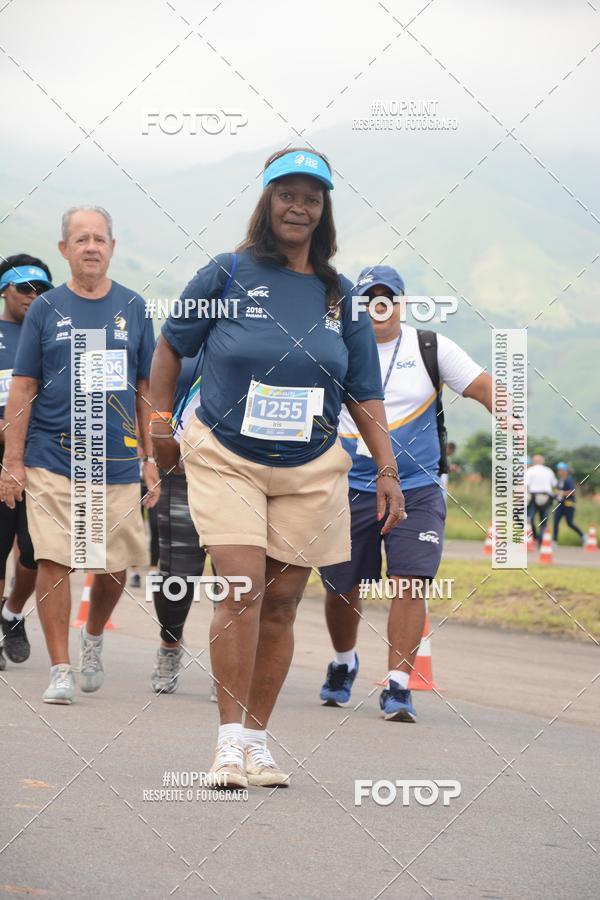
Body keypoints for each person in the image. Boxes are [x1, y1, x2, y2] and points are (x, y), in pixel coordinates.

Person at [150, 148, 404, 788]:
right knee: (240, 587)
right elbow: (171, 348)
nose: (299, 206)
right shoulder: (226, 274)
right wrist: (157, 429)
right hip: (227, 456)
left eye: (311, 197)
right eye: (287, 194)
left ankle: (259, 741)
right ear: (267, 203)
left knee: (284, 603)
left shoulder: (338, 295)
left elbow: (364, 392)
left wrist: (389, 472)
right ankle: (227, 744)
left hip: (311, 464)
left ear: (324, 212)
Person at [0, 207, 160, 704]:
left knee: (112, 566)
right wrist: (14, 459)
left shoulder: (133, 308)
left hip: (114, 460)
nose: (91, 246)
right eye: (80, 239)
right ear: (64, 250)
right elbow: (23, 386)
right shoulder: (46, 310)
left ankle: (92, 638)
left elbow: (144, 390)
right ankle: (61, 668)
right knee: (52, 559)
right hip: (52, 455)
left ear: (112, 247)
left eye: (99, 239)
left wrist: (150, 459)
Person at [319, 265, 492, 722]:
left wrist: (515, 423)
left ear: (401, 301)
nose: (380, 304)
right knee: (341, 588)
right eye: (370, 296)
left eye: (388, 296)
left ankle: (398, 686)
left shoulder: (431, 347)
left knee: (410, 581)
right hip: (347, 485)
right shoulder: (334, 346)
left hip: (417, 488)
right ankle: (343, 661)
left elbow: (485, 389)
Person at [0, 255, 53, 670]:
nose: (33, 297)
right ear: (5, 291)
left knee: (35, 551)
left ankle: (12, 613)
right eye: (25, 289)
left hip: (40, 455)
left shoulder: (53, 336)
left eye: (41, 290)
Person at [526, 454, 557, 548]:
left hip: (533, 497)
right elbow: (555, 484)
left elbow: (525, 484)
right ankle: (541, 542)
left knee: (529, 519)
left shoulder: (529, 470)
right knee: (544, 521)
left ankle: (535, 536)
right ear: (542, 461)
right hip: (547, 497)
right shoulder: (549, 471)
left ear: (534, 461)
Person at [552, 462, 584, 545]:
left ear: (565, 471)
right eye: (558, 470)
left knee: (569, 523)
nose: (559, 472)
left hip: (568, 504)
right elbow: (557, 492)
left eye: (561, 470)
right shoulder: (560, 480)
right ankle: (554, 541)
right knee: (555, 522)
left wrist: (560, 492)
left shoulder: (569, 479)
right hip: (560, 504)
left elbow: (572, 492)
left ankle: (583, 535)